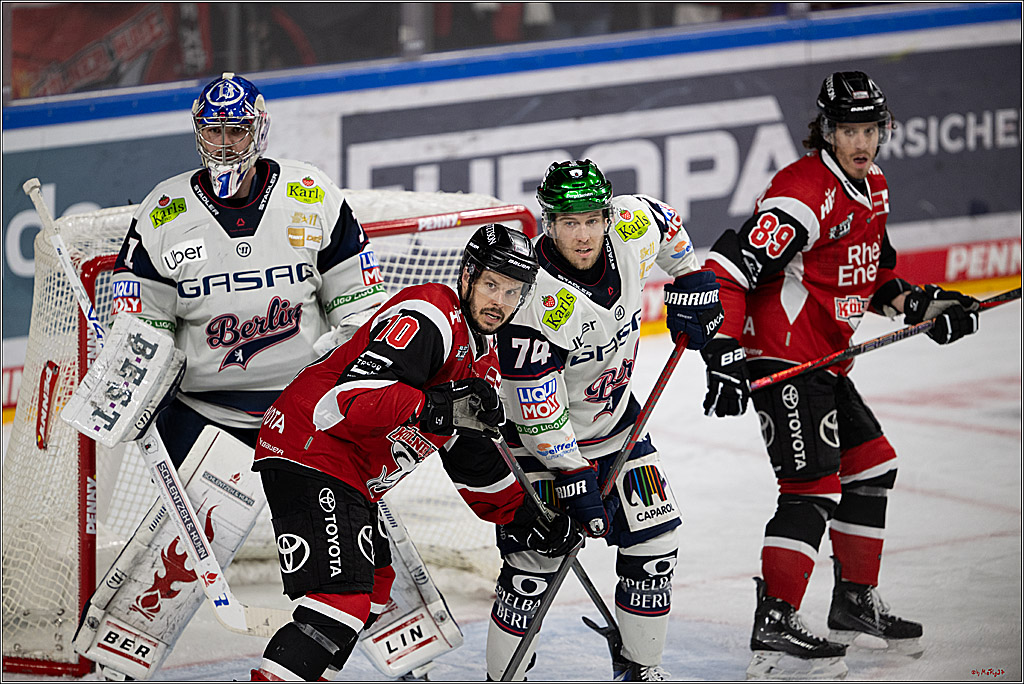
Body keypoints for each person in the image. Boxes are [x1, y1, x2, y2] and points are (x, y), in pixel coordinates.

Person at [74, 72, 389, 679]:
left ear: (259, 129)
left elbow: (357, 307)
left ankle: (404, 651)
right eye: (211, 130)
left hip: (302, 412)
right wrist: (135, 382)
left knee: (356, 531)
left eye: (236, 129)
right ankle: (118, 661)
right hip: (203, 412)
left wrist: (356, 386)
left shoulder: (310, 194)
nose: (223, 142)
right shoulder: (165, 210)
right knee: (177, 555)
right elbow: (145, 325)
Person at [700, 71, 981, 680]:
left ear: (884, 131)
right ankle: (775, 617)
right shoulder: (802, 191)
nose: (860, 142)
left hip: (824, 360)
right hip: (783, 359)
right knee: (811, 490)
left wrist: (927, 308)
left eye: (870, 129)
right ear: (826, 130)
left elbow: (871, 278)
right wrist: (722, 348)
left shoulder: (874, 186)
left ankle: (853, 603)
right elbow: (729, 265)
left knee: (873, 465)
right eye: (848, 129)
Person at [249, 224, 585, 682]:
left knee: (372, 592)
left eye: (512, 292)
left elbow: (473, 461)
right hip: (312, 450)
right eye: (491, 285)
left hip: (348, 475)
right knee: (341, 599)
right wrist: (438, 406)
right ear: (467, 277)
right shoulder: (429, 314)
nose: (499, 302)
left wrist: (530, 518)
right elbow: (350, 403)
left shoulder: (484, 360)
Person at [485, 159, 725, 681]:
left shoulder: (631, 225)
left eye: (592, 219)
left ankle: (641, 669)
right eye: (570, 222)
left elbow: (669, 225)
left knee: (656, 545)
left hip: (616, 426)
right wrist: (573, 476)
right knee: (535, 567)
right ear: (547, 223)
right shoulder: (532, 300)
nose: (584, 233)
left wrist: (692, 278)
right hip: (538, 447)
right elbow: (538, 418)